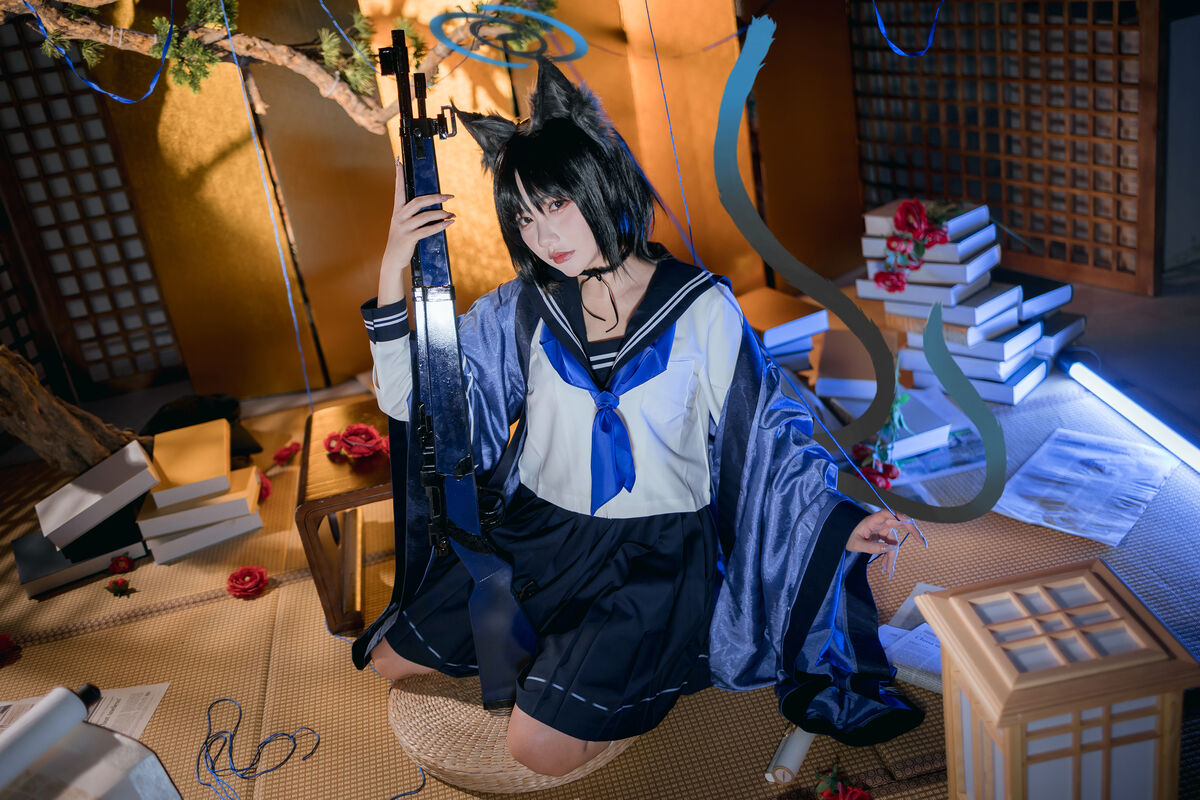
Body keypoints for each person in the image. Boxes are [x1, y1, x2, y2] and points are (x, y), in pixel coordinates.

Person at [351, 60, 923, 778]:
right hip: (538, 532)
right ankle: (577, 664)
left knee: (537, 748)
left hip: (651, 554)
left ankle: (652, 657)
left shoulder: (702, 307)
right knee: (388, 661)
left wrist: (835, 519)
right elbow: (415, 401)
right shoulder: (523, 307)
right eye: (523, 216)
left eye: (556, 203)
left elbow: (766, 434)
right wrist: (393, 264)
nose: (543, 235)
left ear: (601, 181)